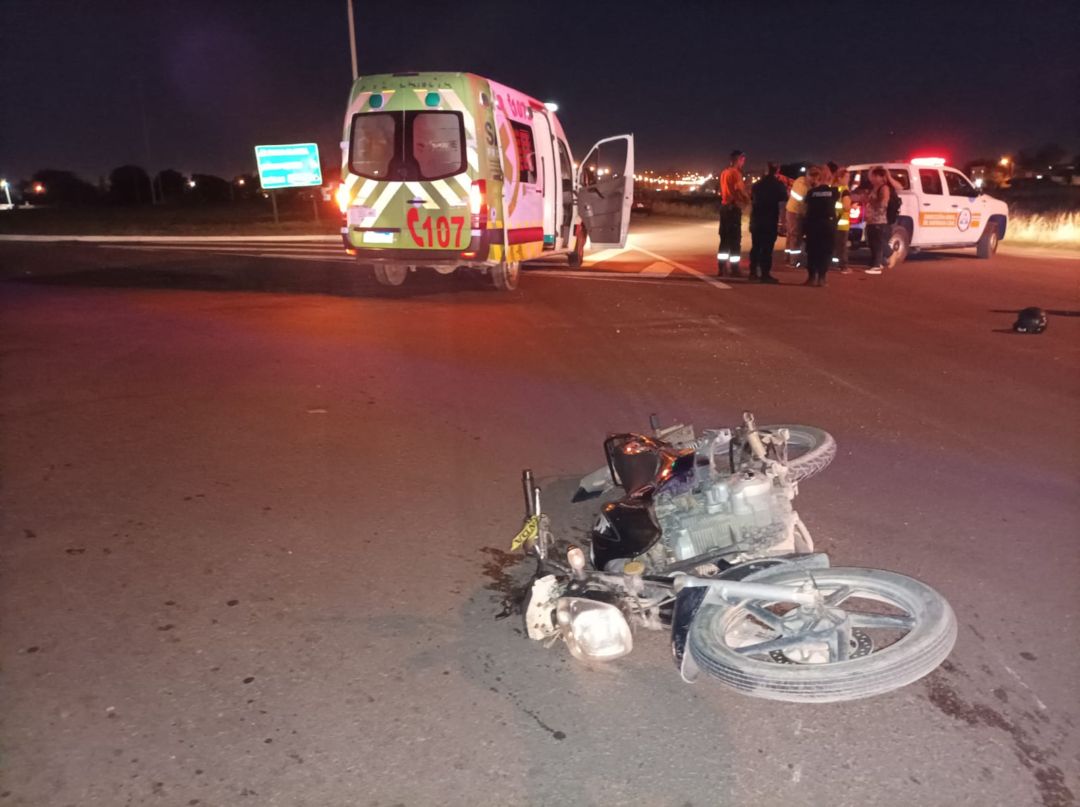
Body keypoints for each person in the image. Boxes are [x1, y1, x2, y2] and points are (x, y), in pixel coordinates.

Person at [747, 162, 788, 284]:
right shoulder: (779, 185)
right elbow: (783, 202)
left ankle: (753, 273)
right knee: (767, 248)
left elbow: (752, 200)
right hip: (770, 220)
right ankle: (765, 274)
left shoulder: (757, 185)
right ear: (777, 171)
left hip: (756, 219)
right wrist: (783, 223)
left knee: (756, 246)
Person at [802, 167, 838, 287]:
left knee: (812, 251)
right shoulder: (834, 191)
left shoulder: (811, 192)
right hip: (828, 225)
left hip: (813, 224)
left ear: (818, 178)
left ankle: (811, 277)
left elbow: (806, 207)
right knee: (825, 251)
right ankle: (822, 278)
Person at [717, 150, 749, 277]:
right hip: (733, 209)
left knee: (724, 239)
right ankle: (734, 269)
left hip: (724, 208)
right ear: (739, 159)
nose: (743, 163)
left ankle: (721, 268)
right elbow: (739, 189)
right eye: (743, 160)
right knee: (735, 240)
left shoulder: (724, 172)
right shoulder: (736, 173)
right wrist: (747, 200)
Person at [856, 166, 890, 274]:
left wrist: (871, 202)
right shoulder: (874, 188)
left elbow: (884, 203)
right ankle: (877, 263)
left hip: (879, 220)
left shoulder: (884, 188)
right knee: (872, 242)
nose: (872, 178)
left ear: (881, 177)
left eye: (875, 176)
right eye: (872, 176)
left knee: (877, 243)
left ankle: (877, 266)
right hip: (871, 220)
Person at [784, 168, 812, 266]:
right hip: (795, 212)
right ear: (809, 176)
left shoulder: (801, 181)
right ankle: (794, 261)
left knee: (791, 235)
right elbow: (802, 199)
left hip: (794, 211)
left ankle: (788, 257)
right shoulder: (802, 184)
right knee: (795, 236)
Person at [832, 168, 853, 274]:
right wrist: (852, 206)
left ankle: (834, 264)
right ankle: (844, 266)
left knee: (834, 245)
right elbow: (846, 207)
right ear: (839, 178)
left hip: (832, 222)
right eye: (846, 177)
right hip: (842, 222)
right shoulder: (844, 190)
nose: (848, 179)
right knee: (842, 246)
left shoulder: (832, 188)